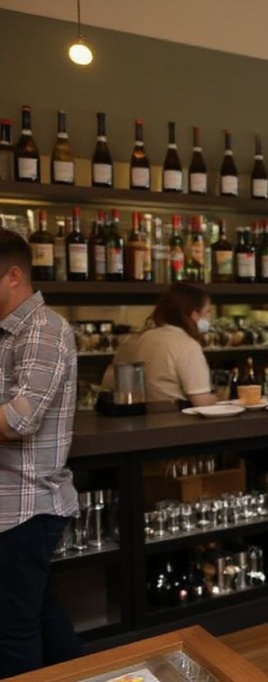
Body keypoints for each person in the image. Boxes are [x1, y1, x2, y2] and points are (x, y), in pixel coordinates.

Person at [0, 229, 81, 676]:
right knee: (37, 615)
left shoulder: (42, 329)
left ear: (14, 275)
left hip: (26, 505)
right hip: (11, 504)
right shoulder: (7, 334)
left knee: (13, 631)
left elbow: (20, 417)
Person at [110, 282, 217, 406]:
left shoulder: (134, 340)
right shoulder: (187, 346)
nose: (209, 318)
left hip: (136, 421)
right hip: (176, 421)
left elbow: (109, 381)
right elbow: (202, 402)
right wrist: (223, 400)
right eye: (208, 311)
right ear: (194, 315)